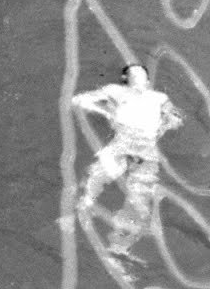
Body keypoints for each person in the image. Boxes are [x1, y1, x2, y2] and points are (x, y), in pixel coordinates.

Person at [73, 63, 183, 256]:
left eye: (142, 74)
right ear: (125, 78)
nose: (138, 76)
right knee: (92, 183)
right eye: (133, 73)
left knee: (140, 199)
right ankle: (76, 225)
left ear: (148, 81)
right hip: (122, 142)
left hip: (146, 148)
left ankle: (120, 247)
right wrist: (107, 112)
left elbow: (177, 119)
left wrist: (163, 127)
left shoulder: (159, 98)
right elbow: (78, 100)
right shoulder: (115, 91)